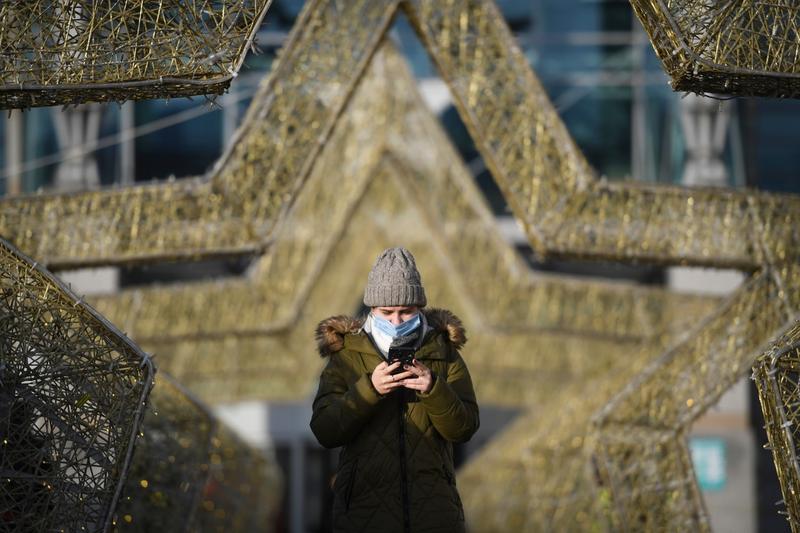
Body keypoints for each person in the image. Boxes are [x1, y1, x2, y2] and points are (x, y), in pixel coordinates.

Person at [310, 246, 479, 533]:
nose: (396, 321)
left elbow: (464, 428)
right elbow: (324, 430)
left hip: (434, 516)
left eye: (406, 312)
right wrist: (369, 389)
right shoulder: (346, 355)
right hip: (364, 517)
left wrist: (433, 388)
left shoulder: (443, 352)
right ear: (372, 310)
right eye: (387, 312)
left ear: (420, 309)